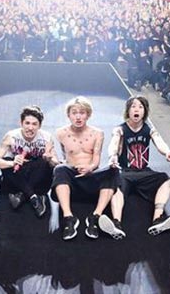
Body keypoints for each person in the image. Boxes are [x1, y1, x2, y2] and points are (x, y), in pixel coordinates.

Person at [99, 96, 170, 240]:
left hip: (144, 172)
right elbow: (114, 143)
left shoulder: (149, 129)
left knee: (165, 179)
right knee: (115, 183)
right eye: (133, 106)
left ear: (145, 111)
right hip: (125, 172)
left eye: (140, 107)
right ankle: (116, 223)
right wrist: (112, 156)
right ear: (128, 111)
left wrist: (167, 152)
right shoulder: (120, 129)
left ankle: (158, 220)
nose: (136, 109)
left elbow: (159, 142)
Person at [51, 96, 118, 241]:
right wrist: (56, 161)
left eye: (82, 113)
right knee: (60, 169)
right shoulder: (60, 133)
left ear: (88, 115)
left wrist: (90, 168)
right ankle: (68, 217)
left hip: (91, 178)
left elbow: (96, 158)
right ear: (69, 115)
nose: (78, 117)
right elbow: (62, 156)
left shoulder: (98, 133)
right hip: (72, 179)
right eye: (74, 113)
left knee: (113, 170)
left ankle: (95, 217)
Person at [0, 106, 58, 218]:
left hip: (37, 176)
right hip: (18, 174)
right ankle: (33, 197)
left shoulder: (46, 138)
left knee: (43, 162)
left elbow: (56, 164)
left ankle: (22, 195)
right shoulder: (11, 136)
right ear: (21, 123)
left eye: (34, 124)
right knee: (6, 161)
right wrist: (12, 163)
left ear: (39, 126)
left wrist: (49, 158)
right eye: (27, 123)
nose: (30, 128)